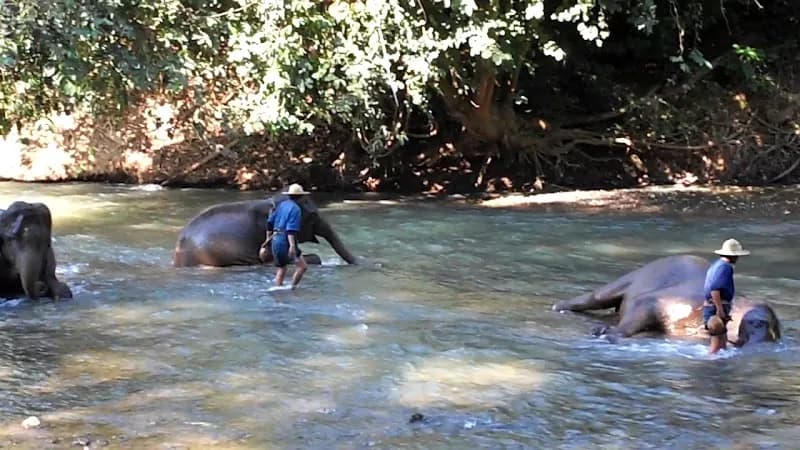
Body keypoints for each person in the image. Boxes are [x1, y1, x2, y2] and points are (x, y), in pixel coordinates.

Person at [703, 238, 750, 354]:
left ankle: (720, 364)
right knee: (717, 342)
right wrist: (720, 310)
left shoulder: (716, 265)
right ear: (734, 256)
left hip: (711, 305)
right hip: (717, 306)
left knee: (720, 339)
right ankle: (712, 364)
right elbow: (715, 289)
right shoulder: (725, 268)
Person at [264, 183, 310, 289]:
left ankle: (278, 289)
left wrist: (267, 239)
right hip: (285, 240)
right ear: (301, 197)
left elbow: (269, 222)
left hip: (275, 239)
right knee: (302, 267)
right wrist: (292, 246)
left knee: (282, 268)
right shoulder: (296, 209)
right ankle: (292, 288)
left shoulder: (282, 205)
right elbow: (291, 229)